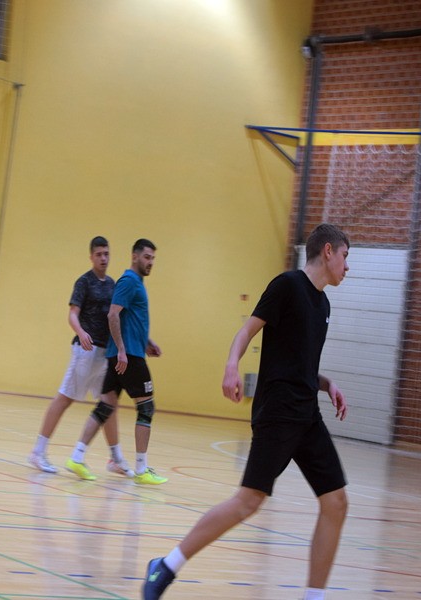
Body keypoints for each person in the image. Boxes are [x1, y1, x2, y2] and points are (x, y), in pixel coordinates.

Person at [142, 223, 351, 600]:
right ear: (328, 252)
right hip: (278, 413)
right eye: (346, 256)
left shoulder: (323, 305)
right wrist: (231, 365)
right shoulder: (287, 286)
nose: (347, 267)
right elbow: (247, 331)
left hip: (307, 415)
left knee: (336, 502)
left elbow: (300, 364)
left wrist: (326, 384)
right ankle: (167, 565)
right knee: (248, 501)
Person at [28, 236, 134, 477]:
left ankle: (116, 459)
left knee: (109, 403)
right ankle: (38, 451)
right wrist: (81, 332)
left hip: (104, 353)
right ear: (91, 256)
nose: (103, 258)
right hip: (85, 351)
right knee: (65, 398)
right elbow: (72, 314)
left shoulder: (112, 284)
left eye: (106, 254)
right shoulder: (84, 282)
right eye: (99, 254)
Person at [65, 238, 167, 484]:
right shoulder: (129, 281)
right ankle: (141, 469)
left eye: (153, 258)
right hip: (128, 356)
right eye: (146, 257)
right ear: (134, 256)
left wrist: (146, 341)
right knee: (146, 408)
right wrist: (122, 349)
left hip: (126, 352)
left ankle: (77, 457)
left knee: (105, 407)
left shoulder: (135, 282)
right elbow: (113, 314)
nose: (150, 262)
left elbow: (130, 320)